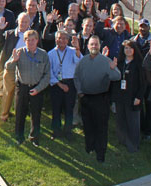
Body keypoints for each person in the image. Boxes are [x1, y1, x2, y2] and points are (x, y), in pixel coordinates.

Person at [74, 35, 121, 163]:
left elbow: (117, 76)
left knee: (101, 127)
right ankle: (89, 147)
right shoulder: (82, 61)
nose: (94, 46)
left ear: (99, 46)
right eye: (92, 44)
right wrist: (80, 92)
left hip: (101, 99)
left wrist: (112, 68)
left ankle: (101, 153)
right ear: (88, 46)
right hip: (86, 98)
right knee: (88, 126)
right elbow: (76, 77)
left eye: (96, 44)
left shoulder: (106, 61)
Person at [5, 30, 50, 145]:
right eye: (27, 40)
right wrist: (14, 61)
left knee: (36, 114)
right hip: (22, 87)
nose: (30, 42)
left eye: (33, 40)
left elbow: (47, 75)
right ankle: (19, 136)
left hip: (37, 88)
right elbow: (8, 67)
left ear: (37, 40)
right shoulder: (19, 52)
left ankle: (34, 137)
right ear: (24, 41)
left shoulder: (43, 54)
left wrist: (38, 89)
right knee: (20, 113)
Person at [48, 30, 82, 139]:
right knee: (56, 108)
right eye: (60, 38)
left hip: (70, 83)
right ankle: (56, 130)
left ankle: (68, 131)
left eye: (64, 38)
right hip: (57, 84)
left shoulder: (73, 51)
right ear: (56, 39)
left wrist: (77, 48)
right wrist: (59, 84)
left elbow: (79, 62)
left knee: (69, 108)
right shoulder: (51, 53)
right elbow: (49, 72)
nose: (62, 40)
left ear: (68, 40)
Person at [114, 39, 145, 153]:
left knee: (133, 122)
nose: (128, 50)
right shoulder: (120, 63)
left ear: (134, 50)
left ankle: (134, 145)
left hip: (133, 98)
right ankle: (123, 141)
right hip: (121, 97)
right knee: (121, 120)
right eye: (126, 48)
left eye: (130, 48)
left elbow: (143, 82)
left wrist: (139, 97)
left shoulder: (138, 64)